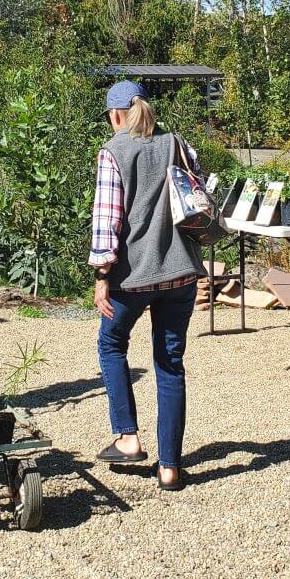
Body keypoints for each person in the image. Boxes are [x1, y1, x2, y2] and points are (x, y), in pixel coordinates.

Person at [89, 80, 206, 491]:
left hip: (133, 278)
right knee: (170, 365)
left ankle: (128, 437)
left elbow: (107, 220)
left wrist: (102, 276)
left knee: (111, 344)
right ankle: (170, 467)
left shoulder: (113, 151)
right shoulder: (178, 143)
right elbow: (199, 193)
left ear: (116, 115)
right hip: (180, 272)